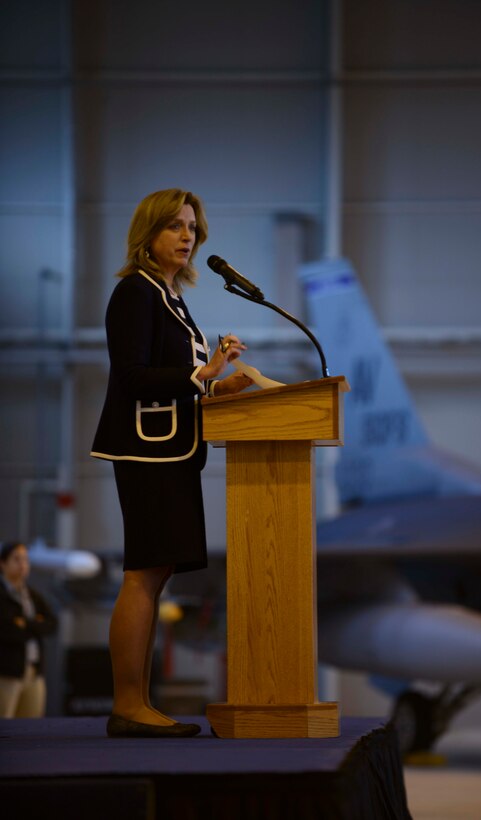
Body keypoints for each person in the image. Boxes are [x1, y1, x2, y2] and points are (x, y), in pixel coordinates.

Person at [91, 188, 253, 738]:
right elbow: (132, 377)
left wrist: (220, 381)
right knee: (142, 574)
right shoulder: (134, 294)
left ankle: (137, 704)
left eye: (192, 228)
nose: (187, 237)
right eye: (175, 227)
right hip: (145, 451)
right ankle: (128, 705)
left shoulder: (169, 296)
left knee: (152, 576)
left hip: (172, 449)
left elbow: (181, 382)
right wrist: (201, 376)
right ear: (148, 234)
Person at [0, 541, 58, 718]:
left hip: (34, 670)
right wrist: (35, 624)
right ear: (3, 564)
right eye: (16, 559)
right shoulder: (2, 595)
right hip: (7, 671)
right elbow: (6, 629)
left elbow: (52, 623)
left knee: (32, 725)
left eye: (25, 559)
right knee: (5, 723)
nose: (22, 564)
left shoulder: (32, 595)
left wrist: (25, 623)